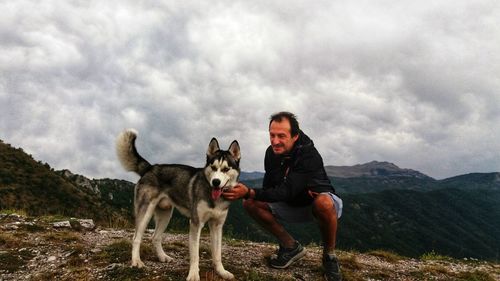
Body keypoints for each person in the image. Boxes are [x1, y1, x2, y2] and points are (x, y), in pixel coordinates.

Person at [223, 111, 343, 281]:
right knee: (250, 203)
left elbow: (287, 191)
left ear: (295, 136)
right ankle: (290, 246)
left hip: (316, 204)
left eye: (281, 136)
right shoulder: (271, 153)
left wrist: (249, 191)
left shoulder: (308, 154)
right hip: (291, 202)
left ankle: (329, 255)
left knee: (323, 202)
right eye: (272, 135)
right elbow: (270, 188)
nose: (275, 141)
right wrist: (250, 195)